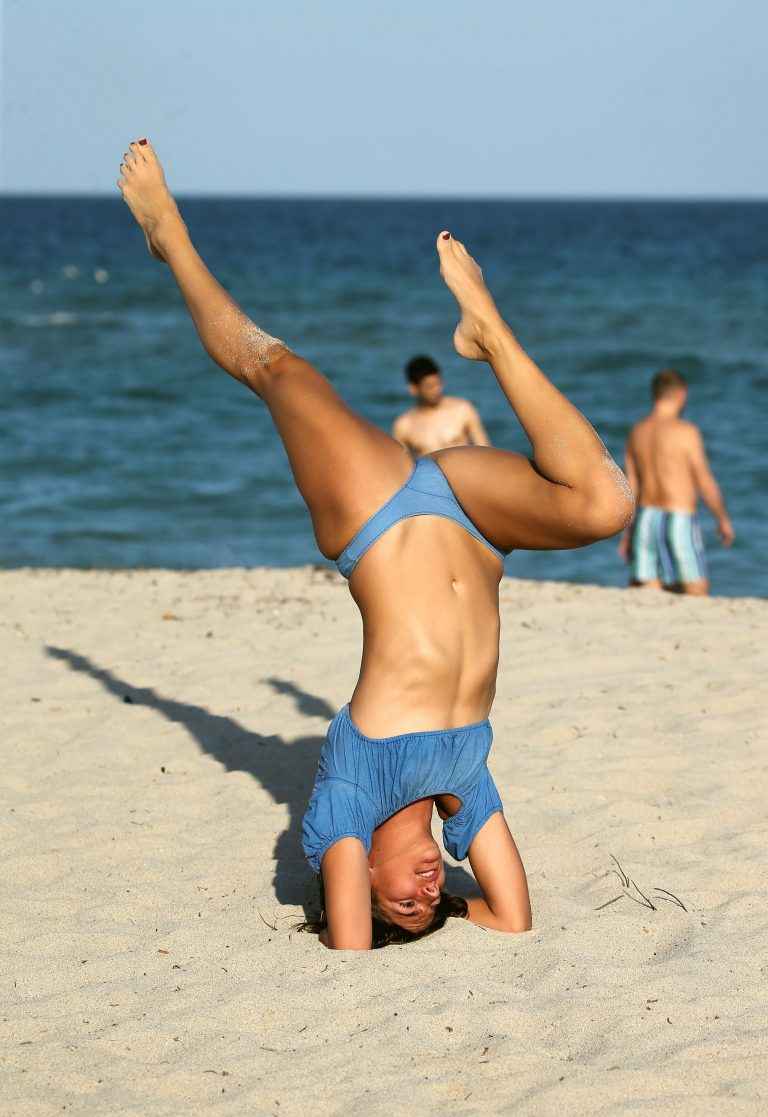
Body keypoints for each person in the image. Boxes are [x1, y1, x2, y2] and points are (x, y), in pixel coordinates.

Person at [117, 138, 634, 950]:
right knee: (607, 504)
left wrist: (353, 902)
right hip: (472, 520)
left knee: (278, 369)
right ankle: (489, 332)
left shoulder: (343, 809)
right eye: (431, 907)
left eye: (403, 902)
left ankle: (168, 236)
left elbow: (350, 947)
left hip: (378, 518)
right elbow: (512, 918)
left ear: (354, 877)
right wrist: (457, 907)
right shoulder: (465, 792)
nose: (425, 894)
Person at [619, 369, 734, 595]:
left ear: (655, 395)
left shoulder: (637, 432)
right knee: (696, 589)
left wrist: (626, 535)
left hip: (646, 519)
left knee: (649, 593)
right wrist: (722, 519)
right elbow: (704, 480)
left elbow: (630, 486)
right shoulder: (686, 432)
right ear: (682, 394)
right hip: (678, 516)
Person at [392, 354, 491, 456]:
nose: (436, 390)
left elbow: (486, 451)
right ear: (413, 389)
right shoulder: (404, 425)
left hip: (464, 470)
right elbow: (400, 467)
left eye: (438, 384)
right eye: (429, 386)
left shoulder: (462, 409)